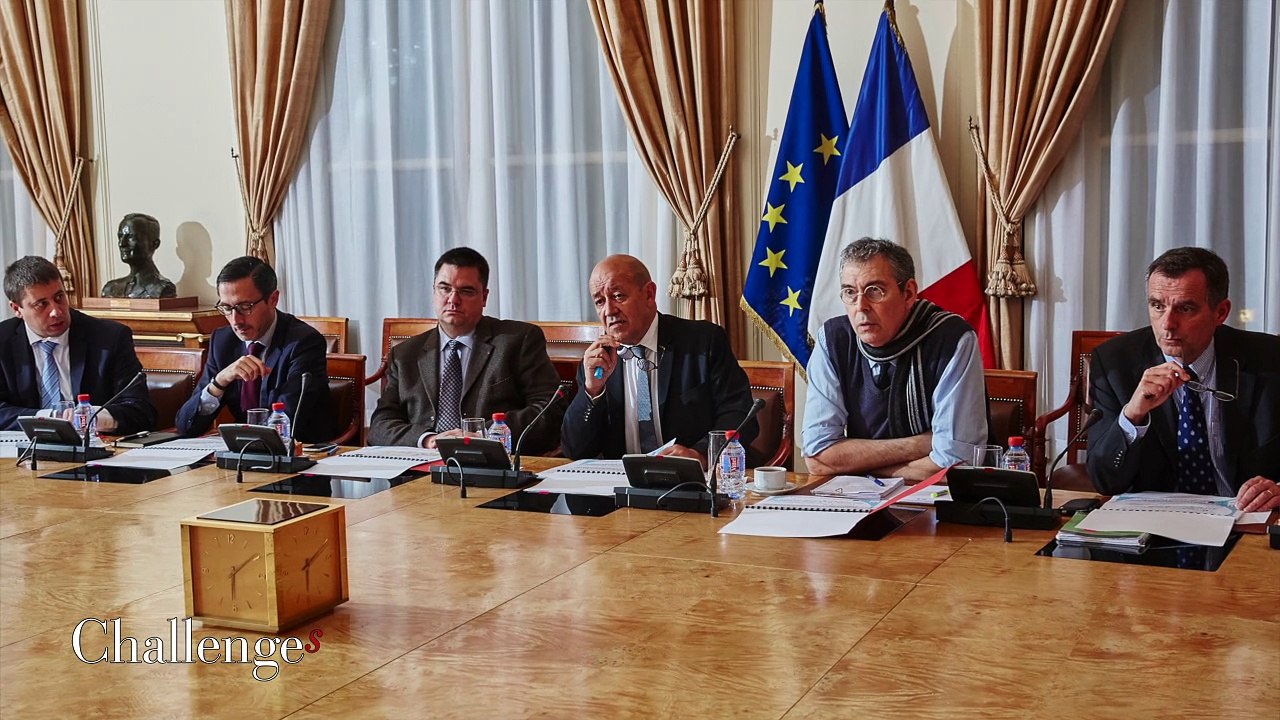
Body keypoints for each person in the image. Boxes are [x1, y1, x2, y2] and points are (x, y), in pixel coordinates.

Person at [1087, 247, 1280, 512]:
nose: (1167, 324)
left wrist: (1277, 489)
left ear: (1221, 312)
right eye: (1157, 306)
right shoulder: (1114, 364)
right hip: (1153, 527)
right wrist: (1133, 415)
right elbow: (1104, 480)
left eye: (1185, 308)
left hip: (1243, 520)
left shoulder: (1270, 361)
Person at [802, 238, 987, 481]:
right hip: (858, 499)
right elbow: (817, 457)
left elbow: (954, 464)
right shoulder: (833, 339)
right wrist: (921, 444)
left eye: (875, 291)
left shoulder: (951, 340)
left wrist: (859, 466)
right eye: (850, 292)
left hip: (941, 504)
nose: (861, 306)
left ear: (908, 293)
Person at [561, 254, 757, 464]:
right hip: (621, 488)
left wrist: (701, 454)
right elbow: (575, 450)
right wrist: (592, 391)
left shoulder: (703, 342)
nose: (609, 310)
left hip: (688, 482)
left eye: (618, 296)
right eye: (600, 302)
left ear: (649, 294)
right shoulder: (597, 360)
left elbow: (740, 415)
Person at [368, 247, 563, 453]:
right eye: (444, 288)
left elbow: (549, 411)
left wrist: (481, 435)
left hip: (490, 468)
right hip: (419, 470)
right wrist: (429, 440)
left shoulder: (518, 341)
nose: (453, 300)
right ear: (434, 292)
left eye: (466, 291)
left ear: (484, 297)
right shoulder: (405, 354)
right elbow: (380, 425)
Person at [175, 256, 333, 442]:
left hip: (298, 456)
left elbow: (287, 422)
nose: (236, 320)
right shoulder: (223, 341)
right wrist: (219, 382)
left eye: (245, 307)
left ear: (273, 299)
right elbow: (186, 425)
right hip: (242, 455)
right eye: (226, 308)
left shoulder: (303, 342)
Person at [1, 256, 155, 433]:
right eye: (41, 304)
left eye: (59, 297)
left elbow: (141, 411)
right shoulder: (3, 342)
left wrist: (97, 418)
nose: (56, 311)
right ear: (17, 309)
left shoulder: (109, 338)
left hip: (94, 450)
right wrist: (48, 419)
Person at [100, 214, 178, 298]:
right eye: (120, 237)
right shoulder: (111, 289)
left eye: (131, 237)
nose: (121, 244)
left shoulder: (161, 288)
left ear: (154, 244)